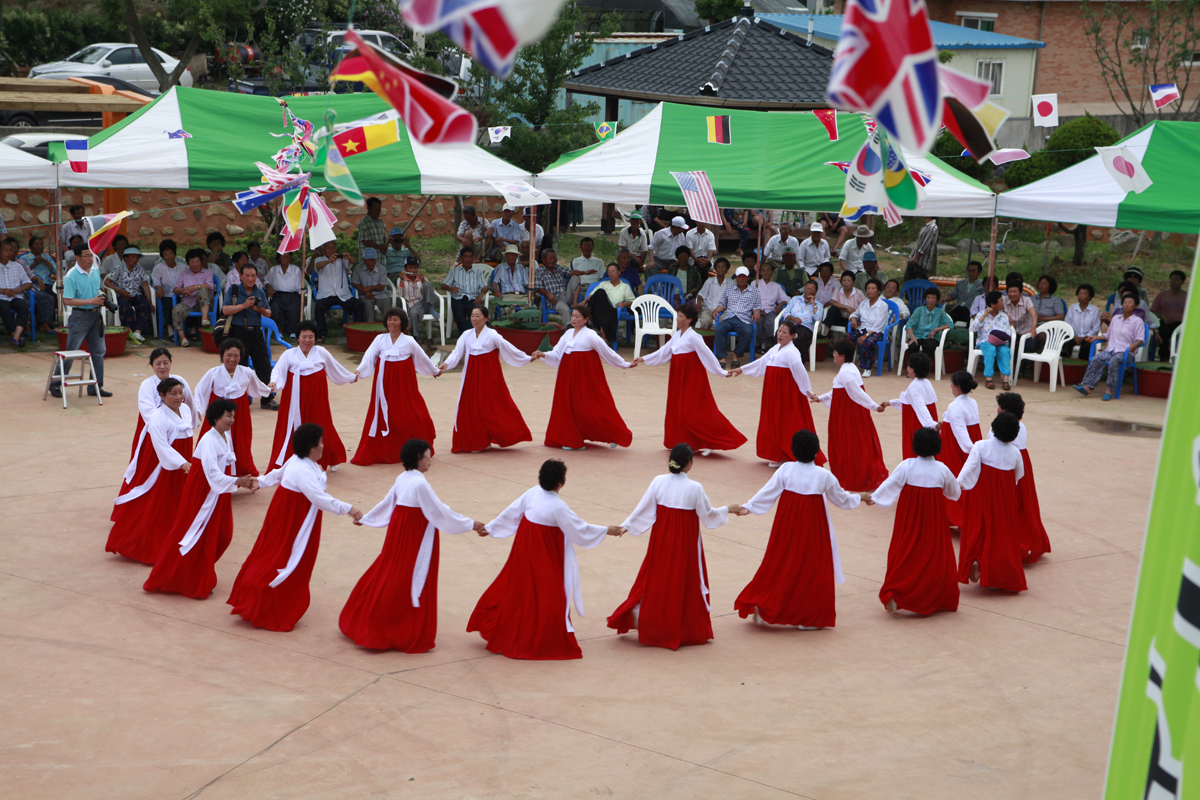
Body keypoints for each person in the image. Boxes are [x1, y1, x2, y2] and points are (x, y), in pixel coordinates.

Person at [468, 459, 625, 660]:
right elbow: (579, 529)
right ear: (561, 483)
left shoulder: (533, 492)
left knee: (518, 590)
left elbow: (512, 512)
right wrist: (607, 530)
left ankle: (510, 631)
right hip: (544, 555)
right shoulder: (558, 507)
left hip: (523, 550)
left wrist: (491, 528)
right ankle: (537, 639)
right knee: (550, 595)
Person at [341, 438, 485, 652]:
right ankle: (395, 628)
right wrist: (472, 524)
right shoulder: (419, 483)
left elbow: (388, 503)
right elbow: (439, 512)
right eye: (428, 456)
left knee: (391, 570)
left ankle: (368, 620)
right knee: (408, 576)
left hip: (400, 532)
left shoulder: (403, 477)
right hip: (415, 535)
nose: (430, 461)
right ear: (419, 458)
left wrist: (367, 518)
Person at [227, 423, 363, 632]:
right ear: (311, 447)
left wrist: (259, 482)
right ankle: (269, 605)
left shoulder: (299, 461)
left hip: (292, 515)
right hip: (294, 520)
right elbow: (319, 498)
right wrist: (350, 509)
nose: (323, 446)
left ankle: (262, 598)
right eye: (320, 442)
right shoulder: (303, 470)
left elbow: (276, 475)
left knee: (275, 554)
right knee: (285, 558)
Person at [608, 444, 740, 648]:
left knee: (658, 578)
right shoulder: (694, 487)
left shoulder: (658, 481)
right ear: (689, 464)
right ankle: (682, 627)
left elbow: (643, 508)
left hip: (661, 539)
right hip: (685, 542)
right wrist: (727, 509)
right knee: (684, 580)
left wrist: (627, 525)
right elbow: (708, 515)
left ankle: (651, 622)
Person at [734, 430, 863, 629]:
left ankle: (764, 601)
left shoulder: (786, 469)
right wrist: (860, 497)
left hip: (787, 523)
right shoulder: (823, 475)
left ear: (793, 450)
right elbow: (841, 499)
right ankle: (808, 615)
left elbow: (768, 491)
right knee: (813, 565)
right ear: (816, 452)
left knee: (779, 559)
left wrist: (748, 506)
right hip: (813, 525)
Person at [144, 398, 257, 599]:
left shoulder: (225, 436)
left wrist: (238, 481)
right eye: (228, 416)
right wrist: (237, 481)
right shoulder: (207, 440)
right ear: (215, 418)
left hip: (219, 491)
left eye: (233, 415)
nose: (232, 420)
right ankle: (184, 577)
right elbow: (212, 474)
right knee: (194, 533)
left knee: (223, 534)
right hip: (203, 492)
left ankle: (197, 571)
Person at [869, 427, 960, 615]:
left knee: (905, 549)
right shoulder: (942, 469)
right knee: (934, 552)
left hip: (909, 516)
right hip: (933, 518)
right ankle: (932, 594)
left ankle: (896, 591)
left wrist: (875, 497)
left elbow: (890, 484)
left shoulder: (907, 465)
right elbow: (954, 493)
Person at [633, 303, 746, 455]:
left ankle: (710, 441)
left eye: (681, 317)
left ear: (689, 319)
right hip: (677, 377)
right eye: (677, 316)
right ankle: (686, 443)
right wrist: (643, 359)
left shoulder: (694, 337)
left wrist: (721, 372)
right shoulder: (677, 336)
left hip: (692, 377)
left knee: (693, 411)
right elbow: (663, 352)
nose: (677, 319)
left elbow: (707, 355)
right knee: (678, 409)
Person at [108, 378, 195, 564]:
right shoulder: (157, 417)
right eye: (173, 393)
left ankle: (179, 541)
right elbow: (161, 446)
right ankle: (149, 547)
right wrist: (181, 463)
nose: (179, 397)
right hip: (168, 466)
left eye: (181, 393)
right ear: (162, 396)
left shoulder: (186, 410)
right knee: (162, 503)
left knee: (182, 502)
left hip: (185, 463)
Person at [532, 304, 634, 450]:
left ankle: (615, 433)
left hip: (585, 378)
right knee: (568, 407)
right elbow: (556, 354)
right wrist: (543, 354)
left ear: (586, 319)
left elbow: (607, 352)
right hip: (567, 377)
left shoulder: (591, 336)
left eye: (577, 317)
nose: (573, 319)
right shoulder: (567, 334)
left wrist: (625, 364)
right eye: (572, 316)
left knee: (592, 408)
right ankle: (571, 437)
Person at [437, 305, 534, 453]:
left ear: (486, 318)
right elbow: (457, 352)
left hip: (489, 377)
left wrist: (526, 358)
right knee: (470, 407)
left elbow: (508, 348)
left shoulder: (493, 335)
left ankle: (502, 435)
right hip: (471, 377)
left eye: (478, 316)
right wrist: (446, 364)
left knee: (492, 407)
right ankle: (476, 441)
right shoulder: (466, 335)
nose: (474, 319)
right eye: (472, 316)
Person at [731, 319, 825, 468]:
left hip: (785, 394)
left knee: (786, 422)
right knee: (773, 421)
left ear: (793, 335)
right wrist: (741, 369)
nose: (780, 334)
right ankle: (779, 454)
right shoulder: (776, 348)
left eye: (784, 332)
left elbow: (801, 374)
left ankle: (791, 455)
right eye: (779, 331)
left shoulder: (792, 353)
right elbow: (761, 362)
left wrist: (809, 392)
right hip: (772, 392)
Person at [351, 307, 439, 466]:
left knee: (410, 412)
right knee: (386, 413)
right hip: (384, 383)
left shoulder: (409, 341)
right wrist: (359, 371)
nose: (392, 322)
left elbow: (422, 358)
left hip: (404, 382)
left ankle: (416, 447)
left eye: (395, 320)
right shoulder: (379, 339)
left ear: (402, 323)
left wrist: (434, 370)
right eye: (390, 319)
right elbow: (369, 357)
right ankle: (383, 449)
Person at [268, 320, 357, 470]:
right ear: (297, 338)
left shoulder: (321, 352)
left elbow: (335, 368)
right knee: (292, 428)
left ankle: (331, 457)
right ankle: (292, 459)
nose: (307, 340)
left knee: (322, 424)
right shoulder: (289, 354)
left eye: (311, 337)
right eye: (304, 337)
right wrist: (273, 383)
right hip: (295, 399)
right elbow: (278, 370)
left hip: (317, 397)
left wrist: (350, 377)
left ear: (315, 338)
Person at [956, 412, 1027, 593]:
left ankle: (975, 560)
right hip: (1005, 499)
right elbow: (1018, 475)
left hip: (981, 494)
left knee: (978, 529)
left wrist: (958, 483)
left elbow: (969, 467)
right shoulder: (1015, 453)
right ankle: (996, 574)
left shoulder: (981, 445)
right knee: (1001, 535)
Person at [812, 339, 889, 491]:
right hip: (847, 412)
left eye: (835, 352)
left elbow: (858, 393)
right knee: (854, 443)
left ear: (842, 356)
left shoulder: (847, 372)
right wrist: (820, 398)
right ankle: (851, 477)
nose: (833, 354)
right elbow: (837, 391)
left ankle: (854, 478)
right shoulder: (848, 369)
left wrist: (874, 407)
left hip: (848, 415)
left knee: (850, 445)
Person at [194, 338, 272, 476]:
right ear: (222, 355)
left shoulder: (247, 372)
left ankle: (242, 475)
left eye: (236, 356)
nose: (232, 359)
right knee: (213, 440)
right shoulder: (213, 373)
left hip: (239, 413)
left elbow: (257, 387)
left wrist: (268, 389)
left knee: (241, 443)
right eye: (229, 355)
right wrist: (198, 411)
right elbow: (200, 392)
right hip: (217, 412)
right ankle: (209, 474)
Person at [992, 391, 1050, 564]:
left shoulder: (1001, 427)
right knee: (1024, 505)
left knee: (1011, 507)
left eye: (999, 407)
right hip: (1021, 464)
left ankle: (1016, 546)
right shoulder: (1021, 426)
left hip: (1009, 466)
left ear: (1004, 410)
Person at [55, 245, 110, 398]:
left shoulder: (94, 270)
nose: (90, 259)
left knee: (99, 352)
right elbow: (68, 301)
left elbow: (95, 290)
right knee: (71, 352)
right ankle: (55, 383)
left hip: (95, 315)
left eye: (91, 255)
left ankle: (96, 387)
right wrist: (92, 300)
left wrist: (100, 299)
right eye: (86, 256)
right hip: (80, 316)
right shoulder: (72, 275)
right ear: (77, 258)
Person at [219, 261, 275, 407]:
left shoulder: (260, 291)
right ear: (241, 276)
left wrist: (261, 310)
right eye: (247, 276)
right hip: (238, 333)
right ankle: (240, 400)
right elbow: (225, 310)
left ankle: (267, 399)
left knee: (264, 366)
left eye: (253, 276)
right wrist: (243, 306)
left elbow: (268, 313)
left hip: (256, 332)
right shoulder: (234, 290)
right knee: (239, 367)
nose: (250, 279)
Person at [1073, 291, 1145, 401]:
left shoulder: (1137, 321)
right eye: (1124, 302)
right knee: (1097, 358)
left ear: (1135, 306)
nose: (1126, 304)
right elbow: (1108, 335)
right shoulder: (1116, 318)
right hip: (1111, 349)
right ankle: (1087, 386)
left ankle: (1109, 390)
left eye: (1130, 302)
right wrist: (1096, 337)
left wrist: (1135, 344)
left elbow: (1140, 338)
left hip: (1125, 352)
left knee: (1114, 361)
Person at [131, 347, 200, 457]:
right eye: (158, 363)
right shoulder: (147, 384)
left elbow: (189, 401)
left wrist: (192, 421)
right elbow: (147, 411)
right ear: (152, 365)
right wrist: (163, 426)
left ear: (170, 363)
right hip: (154, 429)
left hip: (178, 428)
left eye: (165, 363)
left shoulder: (179, 380)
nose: (162, 367)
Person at [938, 371, 981, 530]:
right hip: (969, 443)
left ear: (957, 387)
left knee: (953, 479)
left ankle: (961, 518)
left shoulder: (954, 405)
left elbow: (960, 431)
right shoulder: (973, 402)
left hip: (956, 447)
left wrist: (972, 450)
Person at [308, 240, 365, 342]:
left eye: (333, 247)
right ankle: (321, 334)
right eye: (328, 247)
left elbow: (352, 261)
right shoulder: (319, 260)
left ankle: (357, 331)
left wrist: (349, 257)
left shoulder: (341, 259)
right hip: (326, 295)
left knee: (359, 304)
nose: (331, 250)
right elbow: (318, 267)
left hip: (342, 294)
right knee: (319, 308)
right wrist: (328, 261)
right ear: (323, 250)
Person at [889, 352, 939, 460]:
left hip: (917, 424)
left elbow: (920, 408)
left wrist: (932, 425)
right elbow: (909, 404)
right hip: (925, 420)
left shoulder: (914, 387)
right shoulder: (926, 383)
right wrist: (890, 403)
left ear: (913, 369)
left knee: (915, 454)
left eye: (909, 366)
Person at [712, 266, 761, 368]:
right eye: (739, 276)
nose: (741, 279)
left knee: (748, 332)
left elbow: (757, 306)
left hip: (744, 320)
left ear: (748, 278)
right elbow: (722, 304)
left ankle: (736, 356)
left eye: (744, 276)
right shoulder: (729, 289)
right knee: (719, 329)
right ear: (736, 278)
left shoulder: (754, 291)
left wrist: (756, 313)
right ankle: (722, 358)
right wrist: (716, 310)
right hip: (729, 318)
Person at [103, 246, 155, 343]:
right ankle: (130, 331)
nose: (135, 259)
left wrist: (150, 302)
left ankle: (138, 331)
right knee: (126, 308)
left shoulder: (139, 268)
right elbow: (107, 282)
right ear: (126, 258)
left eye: (137, 257)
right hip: (122, 295)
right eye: (132, 257)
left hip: (136, 294)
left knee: (145, 306)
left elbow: (145, 285)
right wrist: (121, 291)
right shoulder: (119, 268)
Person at [440, 247, 491, 337]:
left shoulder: (478, 272)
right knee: (459, 316)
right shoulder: (454, 271)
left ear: (473, 258)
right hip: (458, 298)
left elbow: (485, 286)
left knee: (475, 316)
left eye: (470, 257)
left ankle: (464, 335)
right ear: (461, 258)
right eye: (465, 257)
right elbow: (443, 285)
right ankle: (469, 335)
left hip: (473, 298)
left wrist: (480, 295)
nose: (468, 259)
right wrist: (451, 288)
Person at [172, 247, 218, 346]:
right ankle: (183, 338)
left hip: (206, 304)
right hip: (189, 303)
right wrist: (182, 291)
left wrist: (195, 287)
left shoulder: (207, 273)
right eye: (192, 262)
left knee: (202, 290)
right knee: (176, 310)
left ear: (201, 262)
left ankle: (204, 319)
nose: (195, 264)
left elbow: (210, 285)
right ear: (188, 263)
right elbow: (176, 288)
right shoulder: (184, 274)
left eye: (197, 261)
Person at [971, 290, 1013, 391]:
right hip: (985, 341)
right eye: (1001, 301)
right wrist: (984, 316)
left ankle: (1005, 380)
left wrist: (1001, 337)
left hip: (1000, 342)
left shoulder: (1004, 316)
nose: (1003, 303)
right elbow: (972, 329)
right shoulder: (981, 314)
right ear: (993, 304)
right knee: (990, 350)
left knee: (1005, 351)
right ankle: (989, 378)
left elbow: (1009, 332)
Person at [849, 278, 890, 377]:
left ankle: (867, 368)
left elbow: (878, 325)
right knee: (848, 337)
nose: (870, 291)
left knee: (869, 342)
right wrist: (853, 318)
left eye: (873, 288)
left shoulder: (883, 306)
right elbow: (855, 313)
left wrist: (866, 336)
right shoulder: (863, 303)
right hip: (863, 330)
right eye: (868, 288)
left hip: (877, 332)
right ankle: (848, 364)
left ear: (879, 291)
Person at [587, 263, 636, 343]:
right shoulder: (603, 284)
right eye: (609, 272)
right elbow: (593, 295)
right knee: (600, 292)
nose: (611, 273)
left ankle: (603, 337)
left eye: (613, 271)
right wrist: (584, 302)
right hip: (599, 309)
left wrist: (624, 304)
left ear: (619, 272)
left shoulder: (625, 286)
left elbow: (633, 301)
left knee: (601, 295)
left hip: (612, 310)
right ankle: (604, 339)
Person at [18, 235, 57, 333]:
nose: (39, 246)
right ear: (30, 247)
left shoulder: (47, 256)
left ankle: (48, 321)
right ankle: (41, 322)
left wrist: (46, 262)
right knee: (39, 297)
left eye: (41, 244)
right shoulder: (24, 258)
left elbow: (56, 272)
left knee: (54, 296)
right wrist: (34, 264)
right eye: (36, 244)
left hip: (47, 283)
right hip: (33, 285)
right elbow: (23, 273)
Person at [904, 286, 953, 362]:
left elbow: (950, 324)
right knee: (913, 346)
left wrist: (936, 329)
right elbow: (909, 325)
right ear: (925, 299)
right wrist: (912, 337)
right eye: (928, 298)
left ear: (937, 300)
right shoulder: (919, 310)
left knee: (930, 346)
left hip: (932, 338)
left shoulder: (940, 312)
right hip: (918, 336)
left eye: (933, 298)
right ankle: (913, 367)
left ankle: (924, 367)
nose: (930, 300)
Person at [0, 237, 32, 347]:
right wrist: (3, 290)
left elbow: (28, 283)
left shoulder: (17, 266)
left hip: (16, 296)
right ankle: (15, 335)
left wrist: (18, 290)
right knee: (4, 308)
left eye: (10, 250)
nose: (9, 252)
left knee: (23, 307)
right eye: (5, 250)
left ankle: (16, 335)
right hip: (1, 297)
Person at [752, 262, 790, 354]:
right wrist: (759, 310)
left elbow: (788, 299)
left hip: (770, 311)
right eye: (763, 270)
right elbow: (750, 299)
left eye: (768, 270)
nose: (766, 273)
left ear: (772, 272)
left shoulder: (777, 286)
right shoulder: (754, 283)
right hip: (757, 310)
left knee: (772, 322)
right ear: (760, 272)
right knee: (758, 320)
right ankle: (757, 344)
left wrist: (781, 303)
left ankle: (765, 346)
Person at [151, 239, 186, 337]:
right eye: (166, 254)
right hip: (167, 295)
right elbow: (155, 280)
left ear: (175, 253)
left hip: (182, 294)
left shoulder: (183, 267)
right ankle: (170, 328)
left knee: (190, 302)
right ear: (162, 256)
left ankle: (191, 330)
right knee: (168, 303)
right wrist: (159, 288)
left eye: (171, 253)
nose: (169, 257)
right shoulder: (158, 268)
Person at [264, 251, 303, 338]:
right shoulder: (273, 270)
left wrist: (302, 299)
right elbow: (266, 281)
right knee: (274, 306)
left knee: (295, 306)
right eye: (283, 256)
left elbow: (300, 288)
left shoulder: (296, 269)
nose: (286, 258)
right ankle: (279, 330)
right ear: (279, 258)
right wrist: (269, 287)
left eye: (288, 256)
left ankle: (293, 331)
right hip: (278, 295)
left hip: (293, 295)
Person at [1151, 270, 1187, 361]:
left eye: (1176, 280)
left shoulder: (1187, 296)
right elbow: (1153, 310)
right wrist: (1163, 316)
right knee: (1162, 333)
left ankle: (1179, 359)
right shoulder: (1162, 295)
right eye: (1171, 280)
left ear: (1182, 282)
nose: (1173, 282)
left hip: (1181, 324)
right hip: (1165, 323)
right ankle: (1164, 358)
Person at [779, 279, 823, 354]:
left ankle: (797, 362)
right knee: (780, 334)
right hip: (791, 323)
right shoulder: (795, 299)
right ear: (804, 289)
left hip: (805, 327)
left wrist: (813, 303)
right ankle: (780, 359)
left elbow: (817, 318)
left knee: (799, 337)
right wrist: (794, 318)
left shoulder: (818, 304)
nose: (808, 291)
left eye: (811, 289)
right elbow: (786, 313)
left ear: (816, 291)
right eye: (807, 288)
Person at [534, 248, 577, 321]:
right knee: (565, 309)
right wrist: (548, 294)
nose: (552, 260)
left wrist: (585, 272)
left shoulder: (558, 267)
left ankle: (574, 302)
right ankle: (569, 329)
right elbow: (538, 288)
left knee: (576, 277)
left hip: (566, 296)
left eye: (554, 258)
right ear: (543, 259)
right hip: (555, 300)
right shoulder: (539, 272)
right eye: (550, 258)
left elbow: (570, 272)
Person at [1062, 283, 1101, 360]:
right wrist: (1074, 336)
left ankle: (1082, 367)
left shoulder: (1095, 310)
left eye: (1084, 294)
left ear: (1090, 297)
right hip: (1073, 336)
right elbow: (1067, 324)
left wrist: (1085, 337)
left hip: (1088, 337)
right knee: (1066, 344)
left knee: (1086, 346)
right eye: (1079, 294)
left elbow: (1096, 328)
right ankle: (1065, 366)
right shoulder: (1072, 308)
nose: (1081, 296)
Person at [350, 247, 390, 323]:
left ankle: (388, 324)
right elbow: (354, 282)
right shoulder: (358, 268)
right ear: (364, 259)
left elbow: (382, 286)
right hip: (365, 294)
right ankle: (369, 325)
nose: (371, 262)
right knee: (367, 304)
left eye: (373, 259)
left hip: (380, 294)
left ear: (376, 259)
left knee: (386, 302)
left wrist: (370, 288)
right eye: (368, 260)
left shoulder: (382, 269)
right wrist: (364, 291)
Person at [696, 257, 730, 330]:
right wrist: (699, 301)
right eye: (718, 267)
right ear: (715, 269)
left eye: (723, 267)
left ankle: (722, 341)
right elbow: (701, 294)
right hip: (708, 309)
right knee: (705, 320)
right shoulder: (709, 282)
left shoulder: (730, 283)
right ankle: (706, 340)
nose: (720, 269)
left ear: (727, 270)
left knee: (724, 323)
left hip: (723, 311)